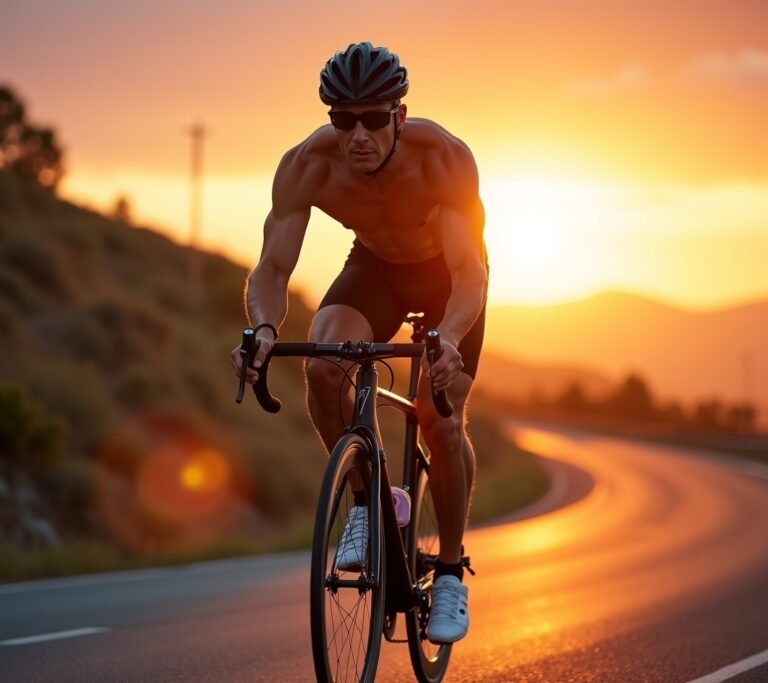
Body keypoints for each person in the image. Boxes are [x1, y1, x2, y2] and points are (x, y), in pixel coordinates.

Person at [230, 41, 487, 644]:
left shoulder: (443, 158)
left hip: (449, 275)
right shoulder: (308, 166)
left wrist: (447, 337)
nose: (359, 134)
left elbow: (470, 270)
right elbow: (270, 270)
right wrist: (264, 329)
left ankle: (449, 573)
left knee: (439, 419)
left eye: (374, 118)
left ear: (399, 115)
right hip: (375, 268)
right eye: (343, 120)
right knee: (323, 365)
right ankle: (369, 502)